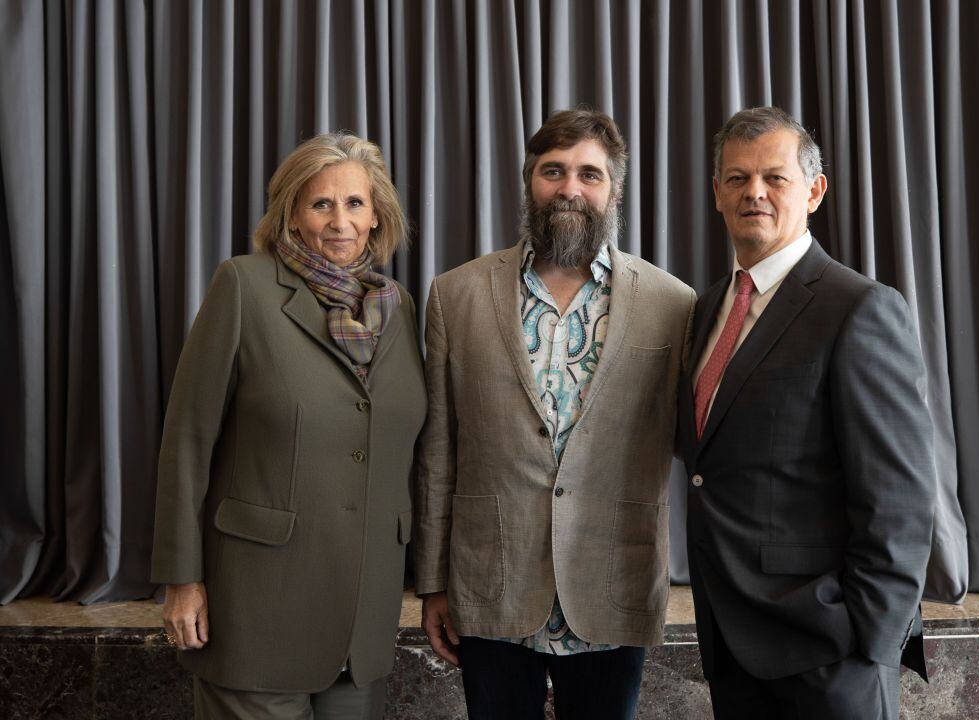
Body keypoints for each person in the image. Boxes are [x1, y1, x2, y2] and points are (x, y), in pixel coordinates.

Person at [413, 108, 695, 719]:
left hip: (612, 583)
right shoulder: (454, 296)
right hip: (492, 583)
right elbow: (439, 451)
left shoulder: (673, 305)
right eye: (554, 171)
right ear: (528, 181)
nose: (570, 187)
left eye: (589, 174)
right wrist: (434, 582)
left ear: (614, 190)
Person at [150, 132, 427, 719]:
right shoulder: (244, 286)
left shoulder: (397, 308)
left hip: (361, 618)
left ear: (377, 215)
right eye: (320, 203)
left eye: (354, 203)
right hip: (254, 608)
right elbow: (187, 442)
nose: (339, 221)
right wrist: (181, 578)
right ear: (292, 216)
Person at [676, 105, 935, 719]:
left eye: (775, 177)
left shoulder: (860, 308)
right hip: (734, 651)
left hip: (830, 658)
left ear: (815, 191)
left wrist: (865, 649)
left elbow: (900, 501)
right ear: (716, 194)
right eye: (736, 179)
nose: (754, 193)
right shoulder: (705, 310)